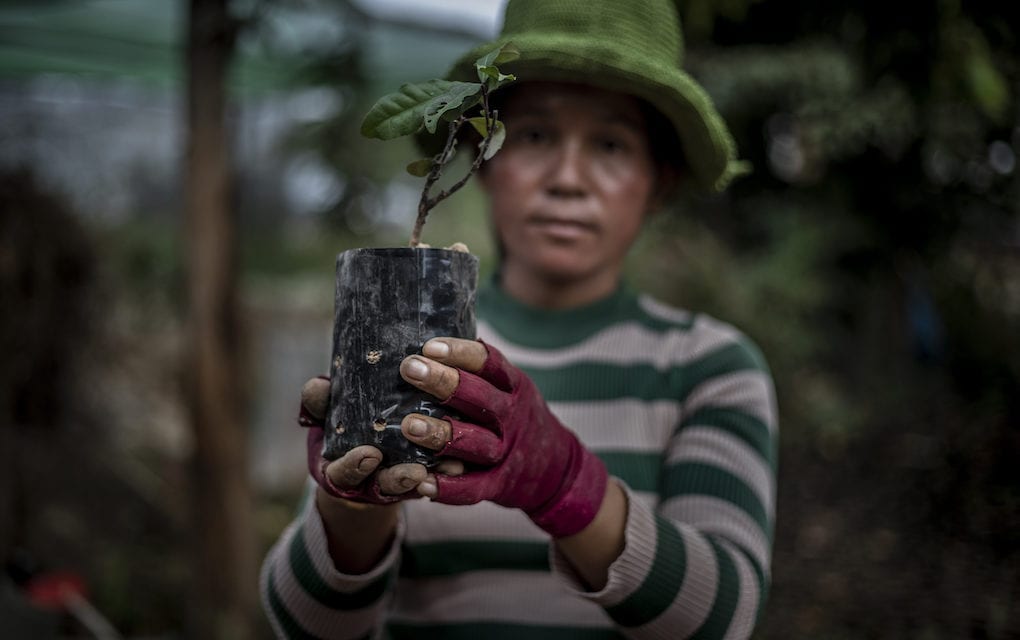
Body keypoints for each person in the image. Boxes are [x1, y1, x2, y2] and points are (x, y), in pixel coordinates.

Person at [260, 0, 777, 638]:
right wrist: (351, 509)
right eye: (534, 135)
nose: (567, 179)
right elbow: (303, 626)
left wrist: (563, 483)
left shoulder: (708, 367)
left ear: (658, 179)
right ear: (484, 156)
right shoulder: (409, 353)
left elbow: (722, 617)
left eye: (612, 144)